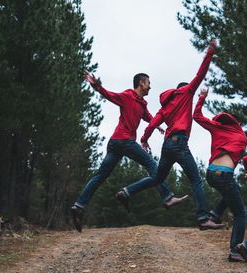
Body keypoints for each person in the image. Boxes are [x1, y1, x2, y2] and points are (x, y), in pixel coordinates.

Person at [115, 40, 223, 230]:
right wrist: (210, 52)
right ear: (185, 89)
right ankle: (203, 218)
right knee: (196, 180)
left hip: (167, 146)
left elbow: (151, 125)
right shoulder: (187, 93)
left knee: (157, 178)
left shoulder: (165, 107)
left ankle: (126, 191)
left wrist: (144, 140)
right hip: (180, 144)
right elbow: (201, 73)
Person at [71, 72, 188, 232]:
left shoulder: (142, 103)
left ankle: (79, 206)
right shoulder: (127, 96)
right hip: (124, 140)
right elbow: (110, 95)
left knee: (101, 175)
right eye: (148, 83)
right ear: (141, 83)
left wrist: (159, 125)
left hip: (116, 144)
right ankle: (167, 197)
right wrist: (97, 86)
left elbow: (149, 118)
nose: (150, 86)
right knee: (152, 164)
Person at [193, 87, 247, 262]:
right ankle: (235, 251)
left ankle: (214, 215)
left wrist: (202, 97)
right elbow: (237, 157)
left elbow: (197, 116)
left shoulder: (216, 127)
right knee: (240, 213)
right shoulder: (242, 137)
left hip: (210, 174)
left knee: (233, 191)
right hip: (224, 175)